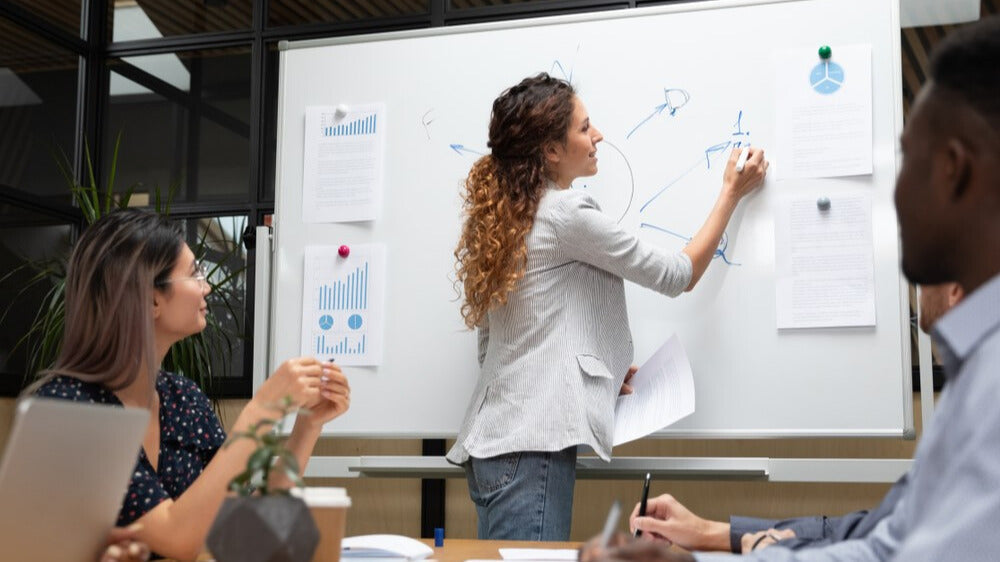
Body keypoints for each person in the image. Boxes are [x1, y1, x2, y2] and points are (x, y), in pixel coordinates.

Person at [582, 14, 1000, 562]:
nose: (893, 193)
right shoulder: (978, 372)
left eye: (906, 161)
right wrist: (717, 541)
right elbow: (884, 541)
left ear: (954, 172)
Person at [447, 72, 768, 540]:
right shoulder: (564, 214)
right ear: (551, 150)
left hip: (495, 449)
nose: (597, 136)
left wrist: (590, 377)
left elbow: (493, 345)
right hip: (531, 449)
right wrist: (731, 193)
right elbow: (676, 275)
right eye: (584, 127)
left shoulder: (511, 217)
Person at [25, 208, 351, 561]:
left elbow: (245, 524)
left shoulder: (184, 399)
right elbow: (176, 539)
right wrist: (263, 409)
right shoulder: (68, 408)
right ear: (151, 298)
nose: (207, 286)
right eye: (195, 273)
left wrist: (307, 426)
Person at [626, 284, 962, 555]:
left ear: (956, 291)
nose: (913, 278)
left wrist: (771, 552)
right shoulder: (967, 400)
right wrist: (709, 533)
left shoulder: (978, 415)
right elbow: (859, 531)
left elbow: (883, 552)